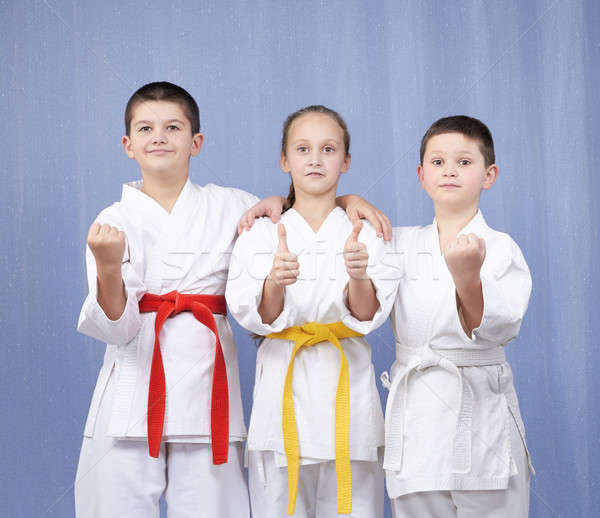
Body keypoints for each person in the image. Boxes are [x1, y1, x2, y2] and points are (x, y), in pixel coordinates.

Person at [75, 82, 390, 518]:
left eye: (173, 127)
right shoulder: (111, 221)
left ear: (196, 142)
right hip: (133, 389)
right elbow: (118, 327)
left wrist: (348, 200)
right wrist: (108, 267)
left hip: (208, 399)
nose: (160, 137)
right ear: (128, 145)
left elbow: (301, 205)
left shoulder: (231, 206)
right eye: (146, 128)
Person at [226, 105, 396, 518]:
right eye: (303, 149)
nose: (315, 159)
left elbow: (368, 314)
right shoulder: (261, 232)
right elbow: (259, 316)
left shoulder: (368, 230)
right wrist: (273, 283)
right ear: (285, 160)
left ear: (346, 161)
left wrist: (358, 275)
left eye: (328, 149)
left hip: (348, 398)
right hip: (281, 400)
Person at [381, 116, 534, 517]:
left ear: (489, 175)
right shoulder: (396, 242)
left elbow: (500, 325)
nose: (449, 170)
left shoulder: (501, 248)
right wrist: (351, 202)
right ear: (421, 175)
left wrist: (467, 280)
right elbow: (327, 207)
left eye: (464, 162)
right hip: (417, 424)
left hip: (482, 416)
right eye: (438, 162)